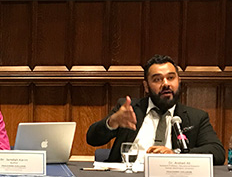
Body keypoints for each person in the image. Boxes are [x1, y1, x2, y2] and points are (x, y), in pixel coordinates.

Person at [86, 55, 225, 165]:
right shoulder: (130, 110)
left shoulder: (196, 117)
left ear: (179, 81)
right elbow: (92, 138)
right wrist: (112, 122)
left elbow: (217, 152)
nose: (166, 84)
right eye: (157, 79)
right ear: (146, 86)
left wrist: (176, 155)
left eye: (171, 78)